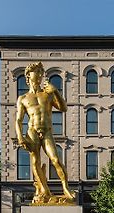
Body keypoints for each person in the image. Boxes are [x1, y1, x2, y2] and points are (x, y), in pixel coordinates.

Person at [15, 62, 75, 203]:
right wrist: (20, 137)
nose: (41, 75)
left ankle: (66, 188)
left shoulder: (46, 94)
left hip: (47, 131)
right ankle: (43, 190)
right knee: (35, 161)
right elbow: (18, 120)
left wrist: (55, 92)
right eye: (38, 72)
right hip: (32, 131)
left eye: (42, 73)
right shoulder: (22, 98)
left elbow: (63, 108)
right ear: (29, 75)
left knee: (55, 159)